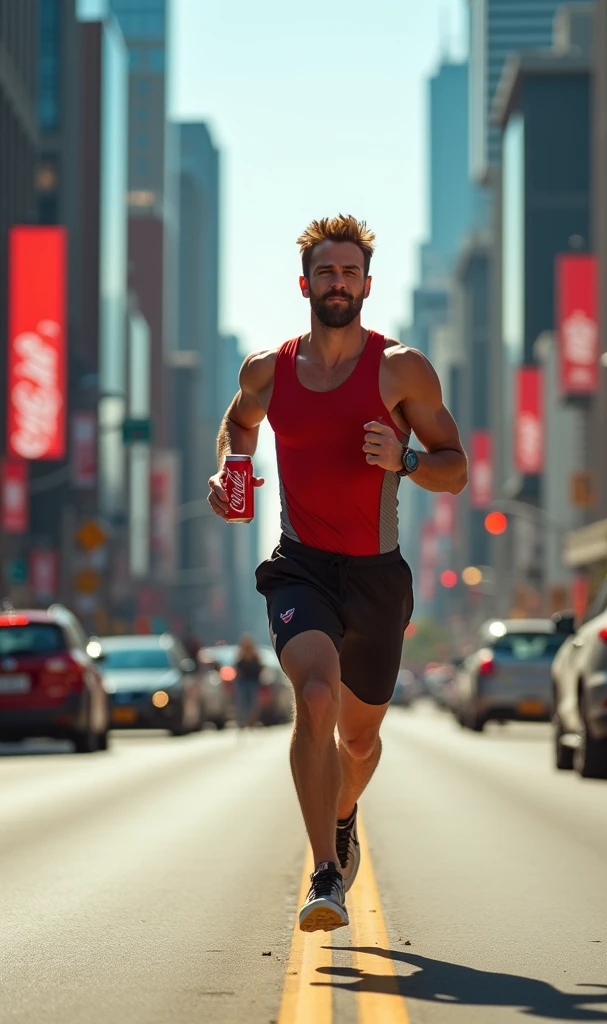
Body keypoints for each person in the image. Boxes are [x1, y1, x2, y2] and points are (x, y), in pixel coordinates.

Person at [208, 215, 467, 932]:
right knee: (315, 696)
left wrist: (407, 461)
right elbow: (239, 421)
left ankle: (345, 811)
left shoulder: (401, 370)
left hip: (377, 576)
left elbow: (457, 469)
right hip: (301, 566)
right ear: (305, 284)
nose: (338, 283)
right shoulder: (269, 369)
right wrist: (229, 470)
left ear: (366, 286)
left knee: (357, 741)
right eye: (326, 272)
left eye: (350, 273)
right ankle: (325, 872)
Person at [233, 633, 263, 728]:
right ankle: (243, 722)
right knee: (243, 703)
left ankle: (251, 721)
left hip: (253, 682)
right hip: (243, 682)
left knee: (253, 703)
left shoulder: (255, 655)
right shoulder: (240, 656)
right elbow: (237, 669)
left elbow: (260, 667)